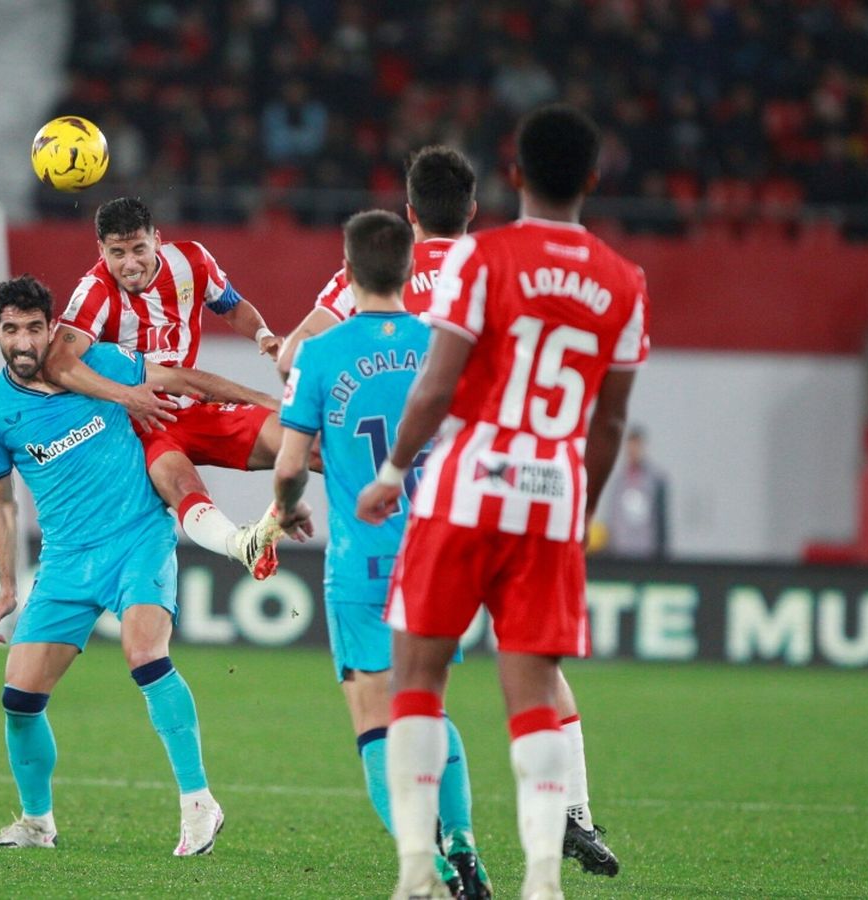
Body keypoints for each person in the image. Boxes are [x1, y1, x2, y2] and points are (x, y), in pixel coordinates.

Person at [291, 145, 625, 880]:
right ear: (474, 211)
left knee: (412, 688)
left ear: (408, 215)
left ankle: (431, 862)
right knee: (534, 662)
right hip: (511, 493)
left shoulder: (378, 275)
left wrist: (331, 436)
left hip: (412, 512)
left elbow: (297, 354)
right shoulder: (500, 269)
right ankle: (571, 813)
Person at [359, 106, 649, 900]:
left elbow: (438, 383)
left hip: (466, 487)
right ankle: (544, 880)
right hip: (551, 499)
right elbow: (611, 419)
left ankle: (418, 868)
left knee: (415, 677)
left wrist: (392, 470)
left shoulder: (482, 259)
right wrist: (572, 504)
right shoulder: (625, 281)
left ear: (516, 177)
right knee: (532, 695)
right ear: (592, 179)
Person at [0, 275, 276, 856]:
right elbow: (0, 500)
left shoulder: (104, 362)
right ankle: (37, 823)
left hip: (138, 537)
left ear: (52, 327)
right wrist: (7, 586)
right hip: (65, 562)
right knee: (19, 699)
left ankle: (198, 803)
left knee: (144, 652)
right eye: (12, 330)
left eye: (35, 328)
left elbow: (182, 380)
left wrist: (262, 400)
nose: (24, 342)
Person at [273, 210, 492, 900]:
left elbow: (286, 465)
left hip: (363, 563)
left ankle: (420, 868)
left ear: (347, 270)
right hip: (438, 558)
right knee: (429, 706)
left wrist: (287, 507)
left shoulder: (323, 353)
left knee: (375, 720)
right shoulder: (444, 347)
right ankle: (463, 847)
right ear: (407, 270)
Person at [46, 197, 288, 580]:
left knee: (295, 439)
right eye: (117, 253)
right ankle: (243, 546)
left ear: (156, 240)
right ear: (101, 250)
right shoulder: (94, 291)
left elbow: (232, 305)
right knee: (182, 483)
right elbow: (58, 363)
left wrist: (262, 334)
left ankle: (375, 509)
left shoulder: (191, 262)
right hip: (137, 427)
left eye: (139, 249)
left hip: (192, 404)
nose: (130, 264)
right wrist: (126, 396)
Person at [276, 145, 478, 380]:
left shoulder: (368, 266)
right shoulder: (497, 274)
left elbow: (290, 359)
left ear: (411, 213)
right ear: (471, 211)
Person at [601, 426, 668, 560]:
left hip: (646, 551)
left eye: (636, 446)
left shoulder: (655, 480)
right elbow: (614, 515)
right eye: (630, 446)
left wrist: (661, 551)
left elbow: (661, 519)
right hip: (621, 550)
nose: (633, 451)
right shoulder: (619, 481)